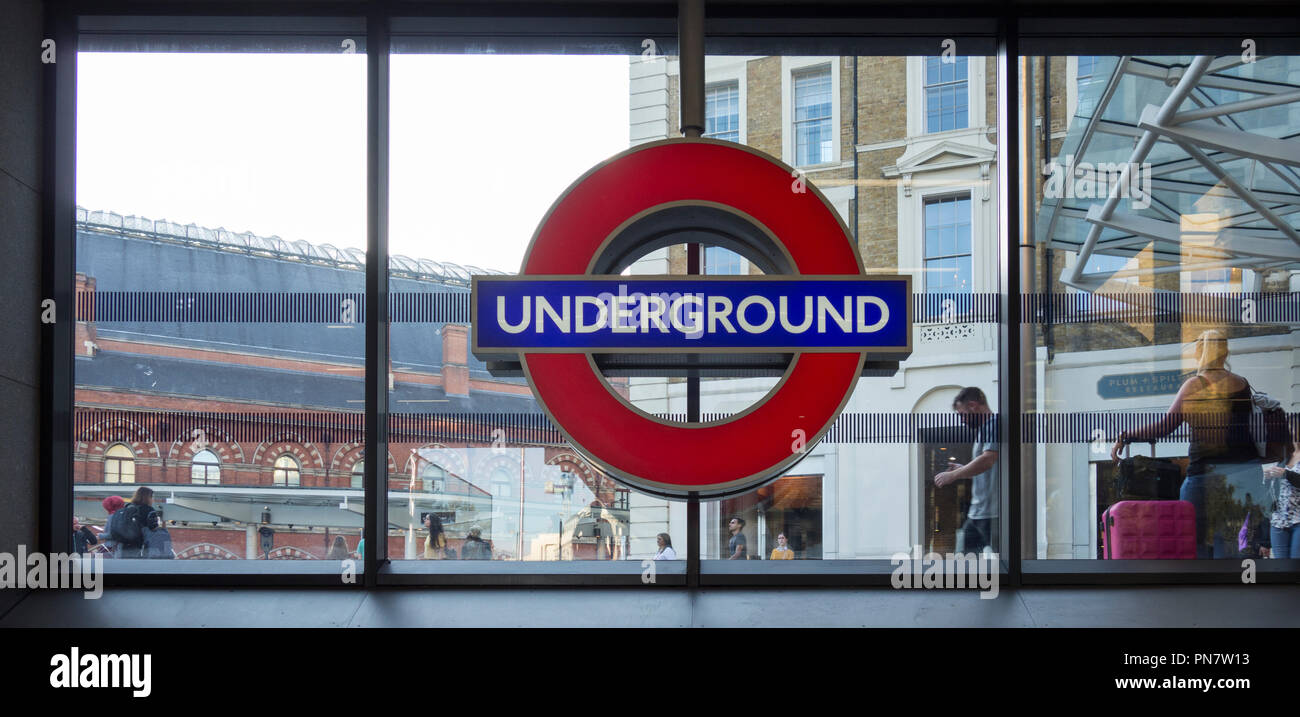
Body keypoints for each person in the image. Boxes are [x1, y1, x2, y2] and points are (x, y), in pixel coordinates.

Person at [1110, 330, 1261, 558]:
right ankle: (1230, 589)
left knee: (1193, 542)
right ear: (1225, 352)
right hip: (1243, 474)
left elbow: (1165, 427)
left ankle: (1203, 590)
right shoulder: (1242, 384)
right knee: (1230, 545)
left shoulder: (1195, 385)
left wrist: (1126, 436)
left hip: (1206, 474)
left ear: (1199, 353)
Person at [934, 386, 1000, 555]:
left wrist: (953, 475)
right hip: (979, 513)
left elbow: (988, 459)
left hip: (990, 514)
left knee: (969, 562)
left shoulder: (993, 425)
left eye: (962, 414)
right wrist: (963, 469)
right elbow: (987, 466)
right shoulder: (985, 429)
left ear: (973, 405)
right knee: (963, 561)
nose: (962, 420)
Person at [1263, 443, 1300, 559]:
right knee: (1281, 567)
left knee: (1295, 565)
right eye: (1291, 428)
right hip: (1278, 521)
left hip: (1298, 520)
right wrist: (1269, 477)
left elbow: (1288, 476)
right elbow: (1274, 492)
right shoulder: (1287, 455)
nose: (1294, 433)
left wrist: (1285, 473)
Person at [112, 487, 158, 559]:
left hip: (123, 544)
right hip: (140, 545)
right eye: (152, 497)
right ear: (148, 497)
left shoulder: (127, 507)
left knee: (125, 567)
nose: (153, 500)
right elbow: (153, 527)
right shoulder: (149, 509)